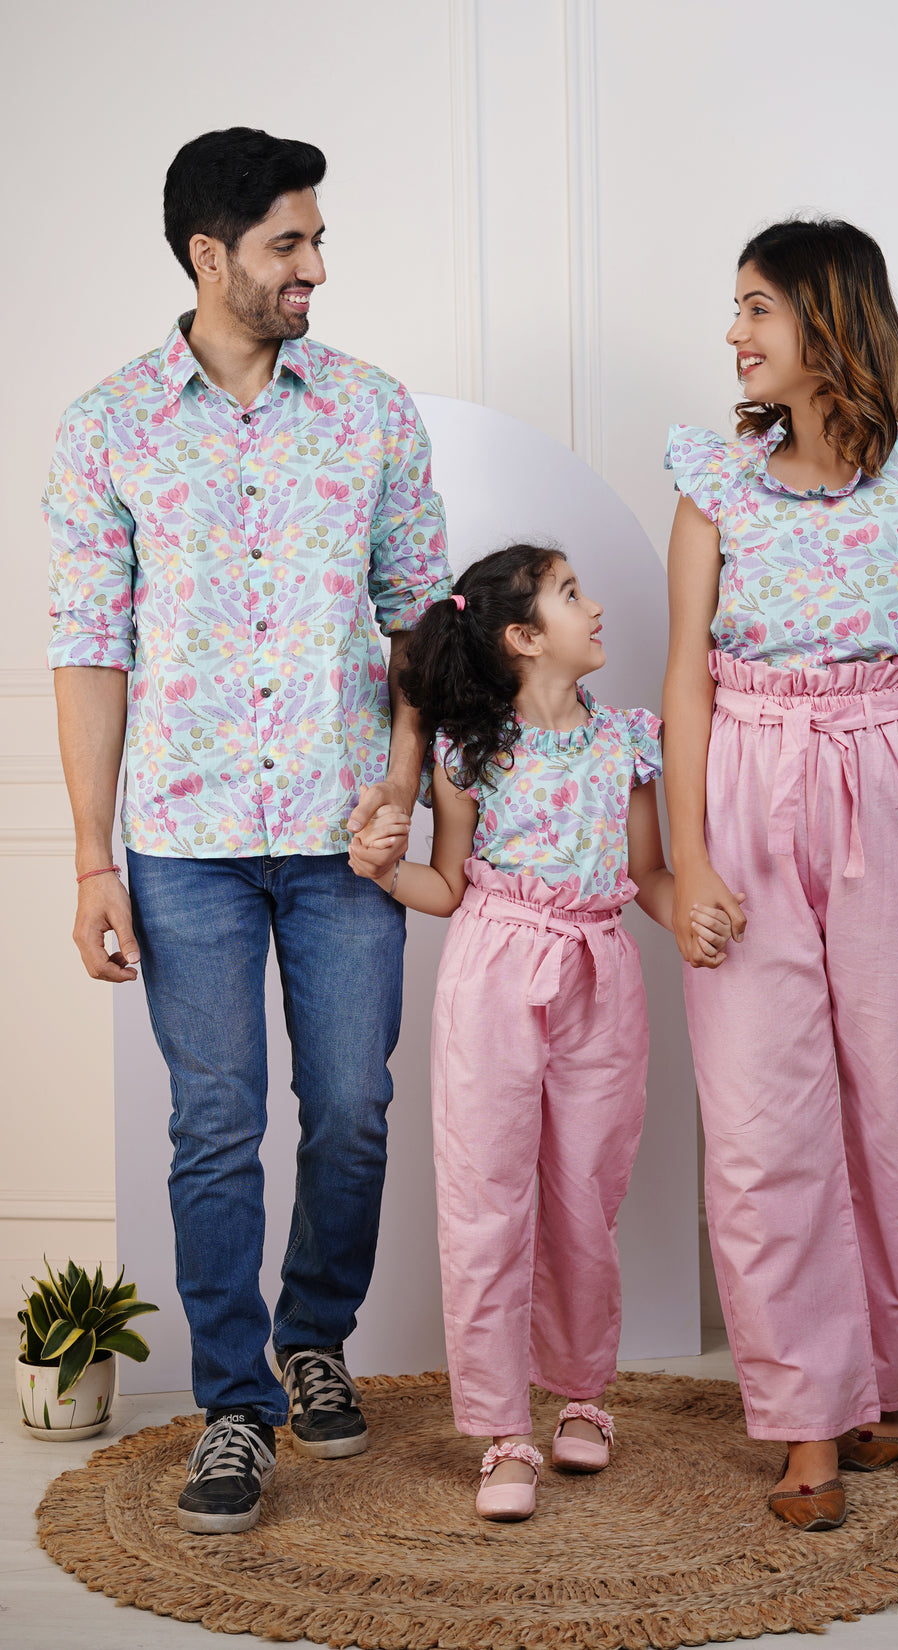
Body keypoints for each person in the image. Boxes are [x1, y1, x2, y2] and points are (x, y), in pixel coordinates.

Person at [44, 127, 451, 1534]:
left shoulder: (374, 412)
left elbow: (424, 627)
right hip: (184, 840)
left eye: (318, 239)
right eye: (291, 243)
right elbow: (90, 650)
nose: (316, 267)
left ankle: (314, 1332)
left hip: (346, 836)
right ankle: (235, 1405)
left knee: (350, 1107)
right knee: (213, 1125)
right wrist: (93, 854)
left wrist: (402, 785)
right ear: (211, 256)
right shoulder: (106, 428)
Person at [661, 218, 898, 1532]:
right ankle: (806, 1408)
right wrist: (691, 852)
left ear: (829, 321)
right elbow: (683, 676)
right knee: (760, 1125)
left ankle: (887, 1368)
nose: (735, 334)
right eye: (734, 309)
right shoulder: (713, 482)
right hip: (748, 791)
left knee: (891, 1107)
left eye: (756, 308)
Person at [350, 544, 735, 1521]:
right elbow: (443, 886)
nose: (596, 606)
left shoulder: (629, 744)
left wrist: (683, 909)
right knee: (486, 1201)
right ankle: (498, 1430)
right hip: (492, 973)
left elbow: (646, 874)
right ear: (523, 639)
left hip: (597, 978)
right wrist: (378, 869)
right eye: (572, 594)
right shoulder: (466, 757)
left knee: (580, 1197)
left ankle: (580, 1398)